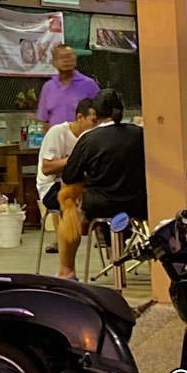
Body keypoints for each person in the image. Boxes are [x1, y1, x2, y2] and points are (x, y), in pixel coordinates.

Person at [55, 88, 146, 279]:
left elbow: (70, 176)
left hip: (101, 206)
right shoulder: (139, 134)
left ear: (95, 114)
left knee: (69, 208)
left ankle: (67, 270)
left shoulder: (88, 139)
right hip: (140, 205)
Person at [35, 96, 98, 220]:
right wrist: (73, 160)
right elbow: (46, 168)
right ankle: (68, 237)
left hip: (83, 184)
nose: (96, 126)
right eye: (93, 121)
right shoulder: (58, 132)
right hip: (52, 187)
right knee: (81, 203)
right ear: (80, 117)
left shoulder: (94, 137)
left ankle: (104, 237)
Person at [36, 44, 100, 127]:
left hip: (83, 138)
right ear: (53, 62)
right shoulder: (48, 87)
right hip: (56, 138)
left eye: (69, 56)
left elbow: (100, 116)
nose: (66, 60)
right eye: (62, 57)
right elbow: (44, 120)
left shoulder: (89, 84)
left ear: (75, 60)